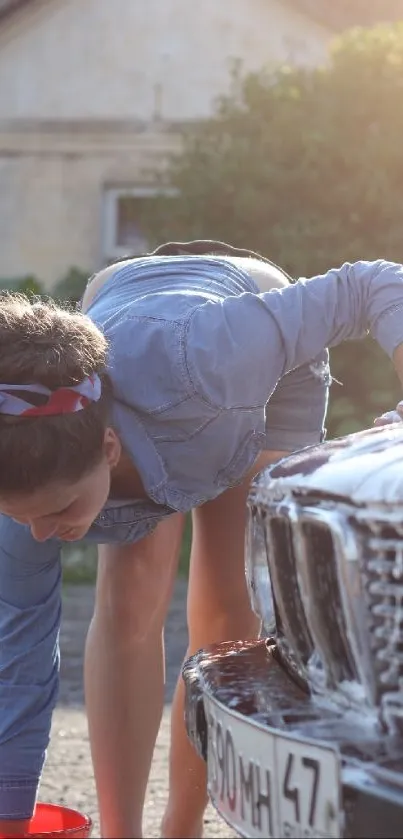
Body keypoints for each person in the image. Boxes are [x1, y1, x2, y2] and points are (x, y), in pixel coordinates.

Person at [1, 239, 403, 839]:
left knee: (228, 608)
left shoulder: (213, 356)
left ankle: (181, 827)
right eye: (22, 516)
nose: (40, 532)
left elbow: (373, 282)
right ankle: (121, 833)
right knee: (131, 596)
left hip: (229, 351)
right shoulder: (23, 472)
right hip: (124, 316)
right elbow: (19, 658)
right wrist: (9, 815)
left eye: (58, 510)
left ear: (109, 450)